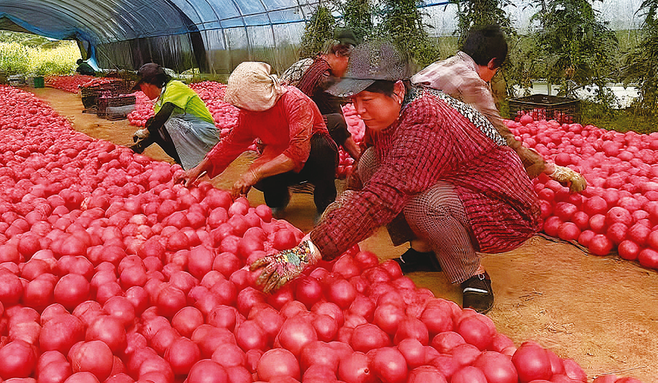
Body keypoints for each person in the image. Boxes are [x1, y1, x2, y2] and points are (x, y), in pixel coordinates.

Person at [251, 41, 540, 313]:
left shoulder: (425, 120)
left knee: (422, 202)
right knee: (371, 163)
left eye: (367, 99)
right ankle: (425, 251)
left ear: (398, 91)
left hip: (500, 203)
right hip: (456, 182)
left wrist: (305, 252)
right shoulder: (389, 114)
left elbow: (384, 195)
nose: (359, 110)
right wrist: (348, 196)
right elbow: (367, 159)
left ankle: (472, 273)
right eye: (354, 100)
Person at [411, 24, 586, 192]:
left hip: (406, 146)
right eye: (496, 69)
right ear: (492, 62)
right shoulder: (472, 82)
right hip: (421, 161)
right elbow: (500, 136)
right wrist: (551, 169)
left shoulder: (439, 66)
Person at [179, 62, 338, 216]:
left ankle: (325, 205)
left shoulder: (294, 101)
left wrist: (255, 174)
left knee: (322, 148)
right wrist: (197, 170)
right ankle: (278, 205)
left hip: (311, 157)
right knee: (264, 180)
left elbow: (298, 153)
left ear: (255, 96)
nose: (239, 108)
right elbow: (230, 144)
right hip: (281, 157)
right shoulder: (249, 114)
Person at [129, 63, 220, 170]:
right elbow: (156, 129)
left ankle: (196, 161)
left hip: (205, 135)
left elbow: (164, 115)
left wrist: (146, 131)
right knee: (153, 123)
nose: (142, 92)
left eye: (141, 88)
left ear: (147, 84)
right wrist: (140, 146)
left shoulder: (174, 87)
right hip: (193, 133)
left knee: (161, 123)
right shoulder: (162, 98)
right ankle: (182, 160)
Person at [295, 40, 362, 160]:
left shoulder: (317, 66)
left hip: (295, 125)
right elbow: (339, 125)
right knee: (337, 122)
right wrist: (360, 158)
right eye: (348, 62)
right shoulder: (325, 79)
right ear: (338, 56)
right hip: (298, 134)